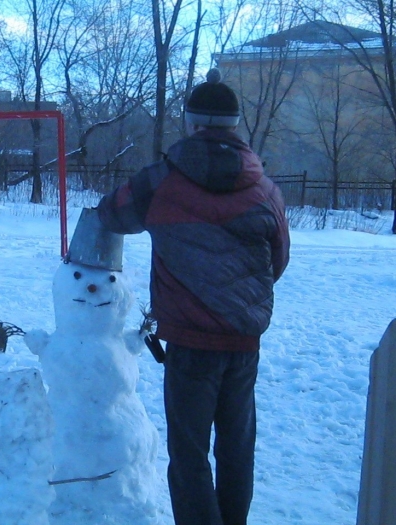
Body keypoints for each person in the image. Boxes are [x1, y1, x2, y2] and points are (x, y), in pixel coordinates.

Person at [96, 68, 290, 525]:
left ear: (191, 122)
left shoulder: (161, 181)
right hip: (243, 344)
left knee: (188, 454)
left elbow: (111, 213)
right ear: (235, 124)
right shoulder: (265, 190)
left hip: (189, 346)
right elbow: (277, 261)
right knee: (237, 448)